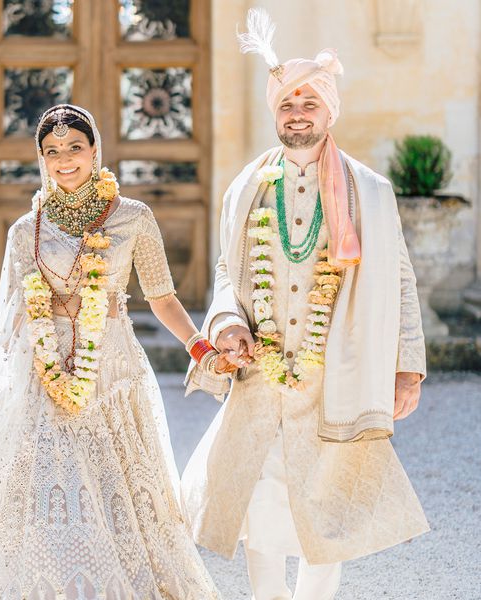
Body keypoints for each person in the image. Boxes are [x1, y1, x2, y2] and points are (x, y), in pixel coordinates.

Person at [180, 9, 429, 600]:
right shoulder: (247, 186)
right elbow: (226, 271)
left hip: (335, 377)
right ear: (276, 111)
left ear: (328, 111)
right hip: (263, 380)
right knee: (261, 507)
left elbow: (399, 277)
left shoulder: (370, 190)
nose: (297, 114)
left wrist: (408, 363)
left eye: (309, 104)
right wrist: (226, 322)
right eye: (287, 104)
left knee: (327, 512)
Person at [0, 104, 222, 600]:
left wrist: (198, 345)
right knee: (50, 487)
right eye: (51, 152)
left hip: (111, 369)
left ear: (95, 150)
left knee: (113, 487)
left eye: (74, 147)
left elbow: (162, 296)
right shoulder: (23, 231)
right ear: (41, 160)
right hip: (41, 369)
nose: (64, 159)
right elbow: (9, 321)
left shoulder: (134, 217)